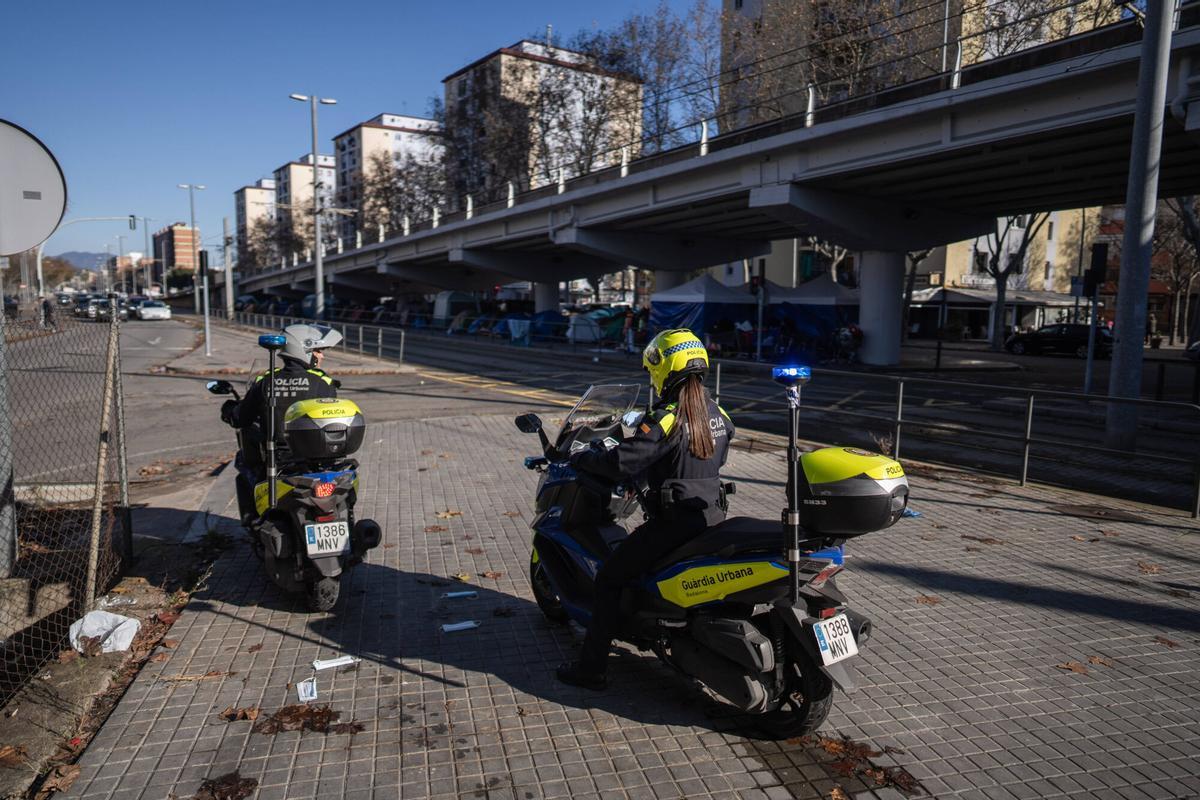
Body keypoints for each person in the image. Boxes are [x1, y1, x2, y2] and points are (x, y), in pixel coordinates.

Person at [556, 328, 734, 690]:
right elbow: (719, 451)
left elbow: (623, 462)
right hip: (711, 517)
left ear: (665, 368)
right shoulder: (718, 413)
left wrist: (589, 458)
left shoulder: (669, 416)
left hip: (673, 525)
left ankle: (591, 670)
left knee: (608, 579)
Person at [221, 323, 342, 524]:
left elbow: (241, 418)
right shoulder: (322, 383)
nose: (322, 356)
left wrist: (229, 410)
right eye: (318, 351)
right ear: (304, 350)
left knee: (245, 466)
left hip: (278, 462)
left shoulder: (266, 381)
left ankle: (254, 519)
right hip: (316, 461)